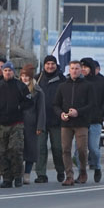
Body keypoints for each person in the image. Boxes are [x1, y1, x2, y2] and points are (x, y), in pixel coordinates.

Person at [54, 59, 94, 186]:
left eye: (77, 68)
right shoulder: (62, 86)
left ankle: (82, 171)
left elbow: (92, 104)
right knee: (65, 149)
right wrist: (61, 114)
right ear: (69, 70)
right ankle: (69, 175)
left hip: (81, 123)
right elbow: (55, 104)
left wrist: (78, 112)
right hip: (66, 124)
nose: (74, 71)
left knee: (82, 149)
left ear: (80, 70)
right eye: (72, 68)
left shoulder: (87, 86)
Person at [0, 61, 29, 187]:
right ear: (2, 72)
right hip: (0, 124)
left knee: (16, 150)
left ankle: (18, 176)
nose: (7, 73)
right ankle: (7, 178)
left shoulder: (20, 86)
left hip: (16, 123)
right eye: (5, 70)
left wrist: (19, 107)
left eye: (10, 70)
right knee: (2, 152)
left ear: (13, 72)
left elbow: (29, 101)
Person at [80, 57, 104, 183]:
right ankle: (81, 172)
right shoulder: (78, 81)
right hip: (80, 121)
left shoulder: (102, 82)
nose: (83, 70)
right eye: (81, 67)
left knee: (93, 148)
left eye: (85, 67)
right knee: (79, 150)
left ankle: (97, 167)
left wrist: (101, 112)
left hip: (95, 120)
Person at [33, 55, 63, 183]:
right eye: (47, 64)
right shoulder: (37, 79)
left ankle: (61, 171)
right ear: (44, 65)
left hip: (57, 120)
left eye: (52, 64)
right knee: (40, 148)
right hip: (40, 120)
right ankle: (41, 174)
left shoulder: (62, 79)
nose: (50, 66)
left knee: (58, 148)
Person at [20, 64, 47, 184]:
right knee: (18, 149)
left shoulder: (37, 91)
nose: (25, 78)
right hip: (18, 122)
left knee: (30, 150)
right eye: (23, 76)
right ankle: (18, 173)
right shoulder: (17, 88)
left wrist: (40, 126)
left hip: (32, 124)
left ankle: (27, 173)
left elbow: (41, 110)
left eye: (27, 76)